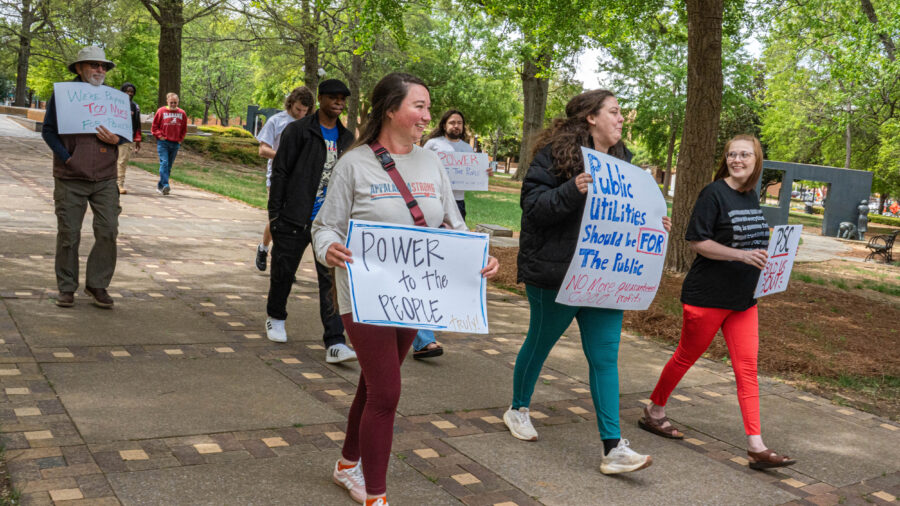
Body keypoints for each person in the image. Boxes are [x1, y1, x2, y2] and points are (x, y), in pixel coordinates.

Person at [312, 72, 499, 506]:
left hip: (414, 297)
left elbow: (453, 223)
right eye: (419, 106)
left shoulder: (432, 162)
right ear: (391, 110)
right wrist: (329, 249)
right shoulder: (353, 164)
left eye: (428, 107)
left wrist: (479, 256)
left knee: (374, 385)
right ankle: (375, 494)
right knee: (388, 392)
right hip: (362, 294)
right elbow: (325, 227)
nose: (427, 116)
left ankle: (346, 465)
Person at [503, 89, 669, 475]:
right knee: (540, 343)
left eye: (621, 112)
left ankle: (613, 448)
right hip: (557, 275)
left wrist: (654, 223)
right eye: (614, 111)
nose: (621, 118)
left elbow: (629, 213)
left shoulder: (624, 161)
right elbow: (532, 207)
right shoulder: (555, 156)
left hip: (607, 276)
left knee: (605, 357)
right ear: (591, 117)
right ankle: (518, 408)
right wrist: (572, 188)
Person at [639, 134, 797, 471]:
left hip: (743, 299)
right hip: (707, 297)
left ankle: (756, 446)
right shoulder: (714, 193)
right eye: (731, 154)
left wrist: (773, 259)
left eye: (745, 155)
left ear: (756, 160)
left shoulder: (750, 195)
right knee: (685, 357)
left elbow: (749, 241)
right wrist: (741, 255)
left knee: (747, 369)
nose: (737, 160)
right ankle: (654, 411)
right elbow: (697, 241)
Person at [265, 79, 357, 364]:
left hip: (329, 223)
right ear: (321, 99)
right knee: (283, 271)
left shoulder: (347, 139)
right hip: (294, 215)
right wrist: (275, 215)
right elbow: (280, 171)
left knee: (330, 280)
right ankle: (275, 316)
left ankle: (335, 342)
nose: (338, 103)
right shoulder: (298, 131)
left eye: (343, 99)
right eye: (333, 98)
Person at [41, 46, 129, 309]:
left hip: (104, 176)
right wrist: (67, 158)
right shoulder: (63, 95)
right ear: (79, 68)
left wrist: (118, 139)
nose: (100, 70)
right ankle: (66, 287)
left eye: (103, 66)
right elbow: (48, 131)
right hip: (70, 176)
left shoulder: (115, 99)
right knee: (69, 233)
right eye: (93, 65)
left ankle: (97, 284)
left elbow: (126, 132)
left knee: (108, 230)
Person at [414, 109, 492, 359]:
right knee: (426, 268)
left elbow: (473, 176)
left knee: (444, 267)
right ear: (444, 124)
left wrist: (484, 172)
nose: (456, 126)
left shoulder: (469, 151)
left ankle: (422, 328)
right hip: (432, 205)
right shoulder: (433, 145)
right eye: (452, 122)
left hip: (457, 207)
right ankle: (423, 337)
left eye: (460, 122)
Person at [254, 86, 315, 271]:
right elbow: (263, 150)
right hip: (278, 177)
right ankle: (264, 248)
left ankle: (284, 262)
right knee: (278, 219)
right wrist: (285, 157)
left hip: (301, 180)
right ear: (290, 103)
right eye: (298, 109)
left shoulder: (310, 124)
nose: (301, 114)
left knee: (295, 222)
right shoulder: (276, 121)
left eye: (305, 111)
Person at [150, 92, 187, 195]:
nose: (173, 105)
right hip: (163, 142)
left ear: (178, 102)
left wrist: (180, 139)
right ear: (167, 101)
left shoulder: (182, 113)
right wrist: (159, 135)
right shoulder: (161, 111)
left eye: (175, 103)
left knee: (169, 166)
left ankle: (160, 186)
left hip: (175, 143)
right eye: (171, 102)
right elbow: (154, 127)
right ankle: (166, 185)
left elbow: (184, 129)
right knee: (164, 163)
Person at [116, 82, 142, 194]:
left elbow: (137, 124)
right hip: (112, 135)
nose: (129, 93)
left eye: (131, 92)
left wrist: (137, 140)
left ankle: (119, 184)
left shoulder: (135, 107)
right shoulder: (115, 103)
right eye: (127, 91)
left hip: (126, 137)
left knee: (122, 161)